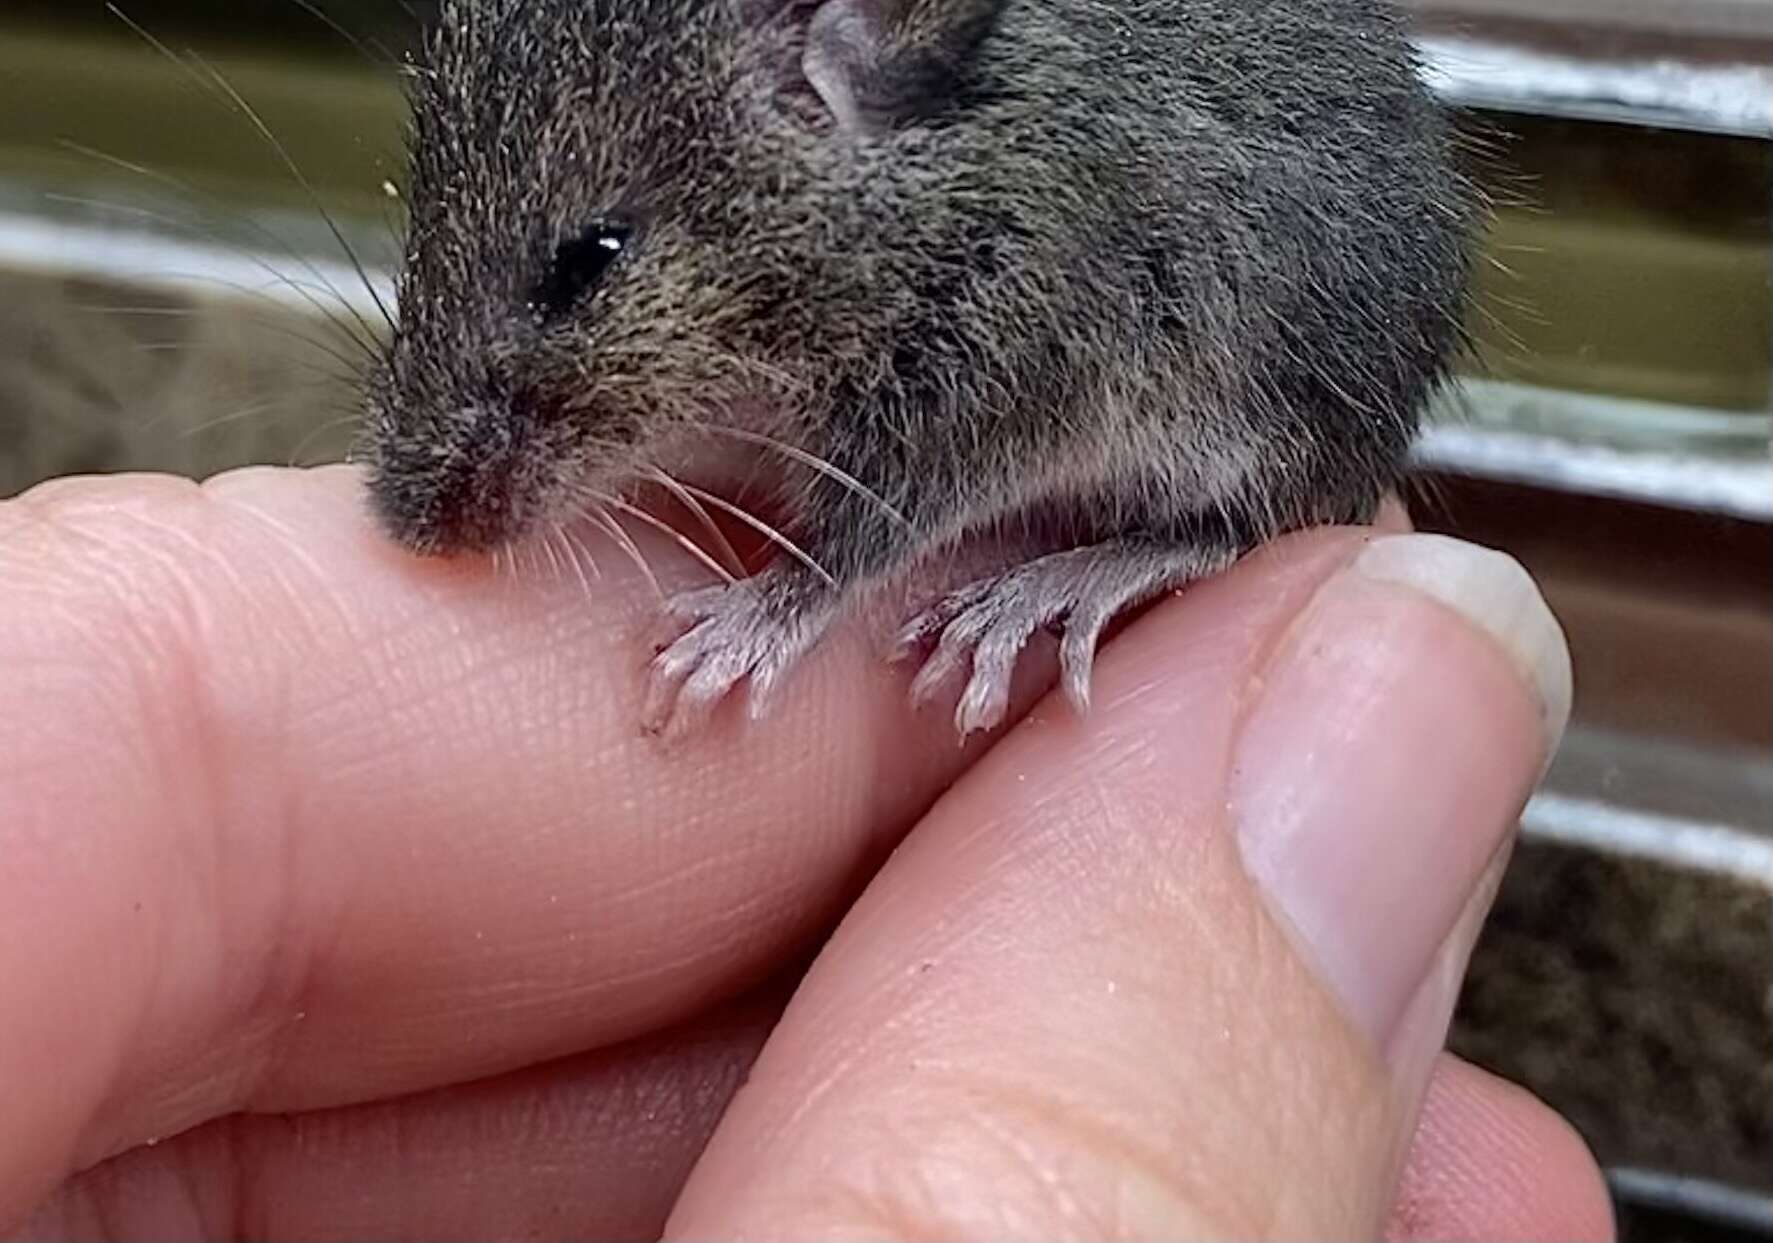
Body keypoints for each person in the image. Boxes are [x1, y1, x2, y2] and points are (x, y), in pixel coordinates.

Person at [0, 464, 1611, 1241]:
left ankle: (1174, 536)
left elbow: (944, 412)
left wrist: (793, 599)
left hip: (1233, 399)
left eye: (593, 268)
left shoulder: (942, 244)